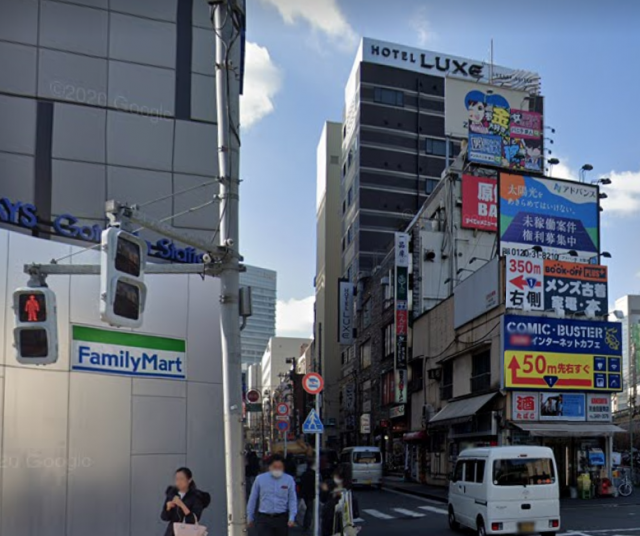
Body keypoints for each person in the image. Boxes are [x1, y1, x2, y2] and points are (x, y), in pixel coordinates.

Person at [247, 454, 298, 536]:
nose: (277, 469)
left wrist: (292, 517)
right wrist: (250, 516)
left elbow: (292, 499)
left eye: (280, 467)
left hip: (281, 518)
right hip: (264, 518)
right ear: (269, 467)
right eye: (275, 466)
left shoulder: (289, 480)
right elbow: (253, 498)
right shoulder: (260, 479)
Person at [160, 467, 211, 536]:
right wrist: (168, 508)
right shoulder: (172, 494)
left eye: (181, 479)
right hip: (171, 533)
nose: (178, 482)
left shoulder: (196, 497)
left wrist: (182, 505)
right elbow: (164, 517)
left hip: (188, 533)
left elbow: (193, 519)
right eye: (177, 479)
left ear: (189, 480)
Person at [321, 468, 359, 536]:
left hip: (331, 527)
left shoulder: (329, 486)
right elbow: (355, 514)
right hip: (343, 527)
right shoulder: (349, 496)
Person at [299, 460, 317, 533]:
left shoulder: (304, 474)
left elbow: (301, 484)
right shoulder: (314, 475)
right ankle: (307, 526)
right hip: (311, 494)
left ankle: (305, 525)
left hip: (305, 494)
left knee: (307, 510)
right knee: (309, 510)